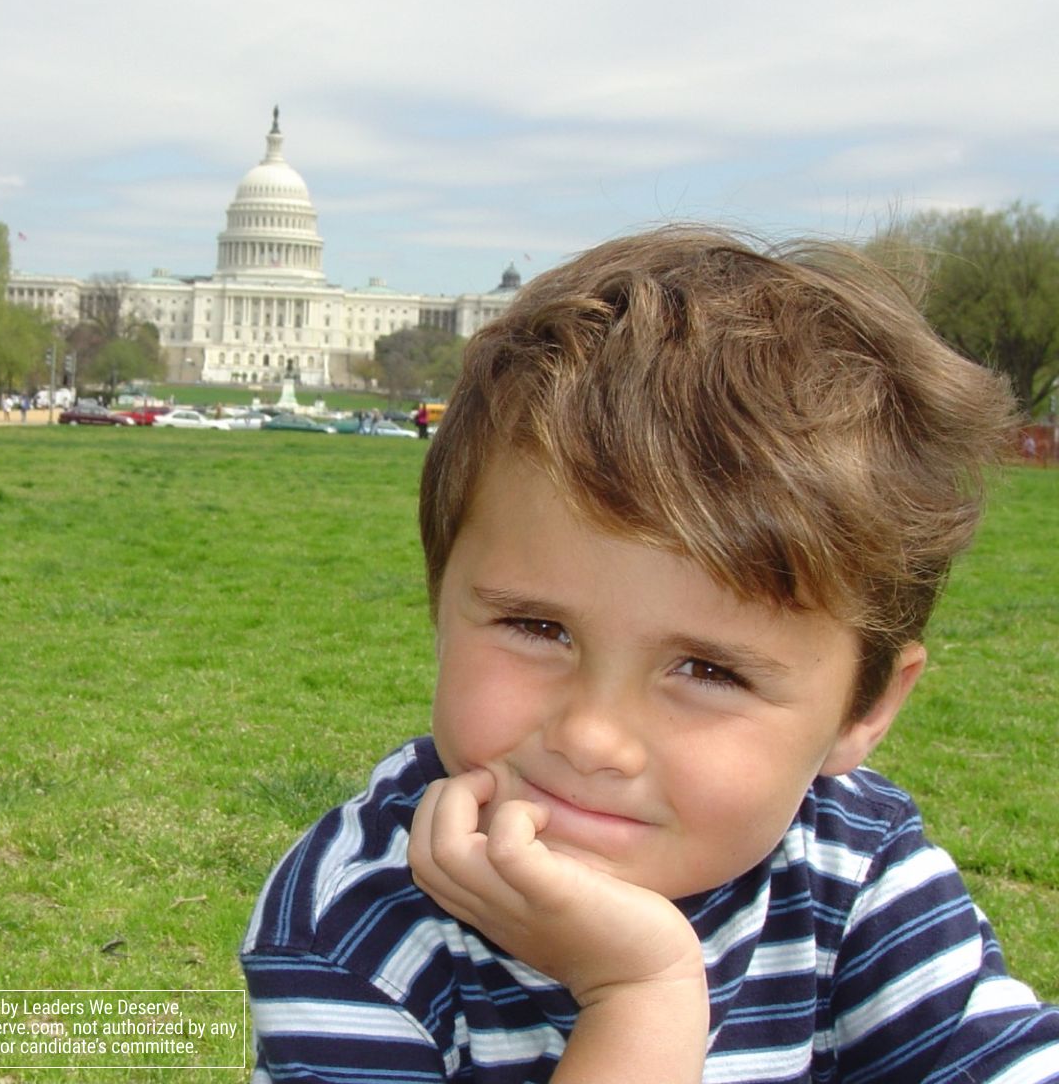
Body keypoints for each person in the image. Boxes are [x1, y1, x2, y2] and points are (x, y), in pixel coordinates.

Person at [240, 228, 1059, 1083]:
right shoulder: (355, 926)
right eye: (537, 627)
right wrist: (642, 994)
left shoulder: (857, 870)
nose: (591, 738)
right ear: (441, 604)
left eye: (709, 670)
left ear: (864, 711)